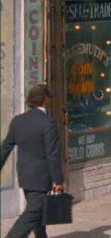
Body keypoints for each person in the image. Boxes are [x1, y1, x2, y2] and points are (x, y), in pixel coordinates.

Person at [1, 84, 66, 238]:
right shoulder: (47, 122)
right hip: (40, 177)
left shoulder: (18, 121)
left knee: (38, 212)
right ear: (46, 99)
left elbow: (5, 148)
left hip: (24, 175)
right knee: (33, 212)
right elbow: (53, 154)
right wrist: (58, 180)